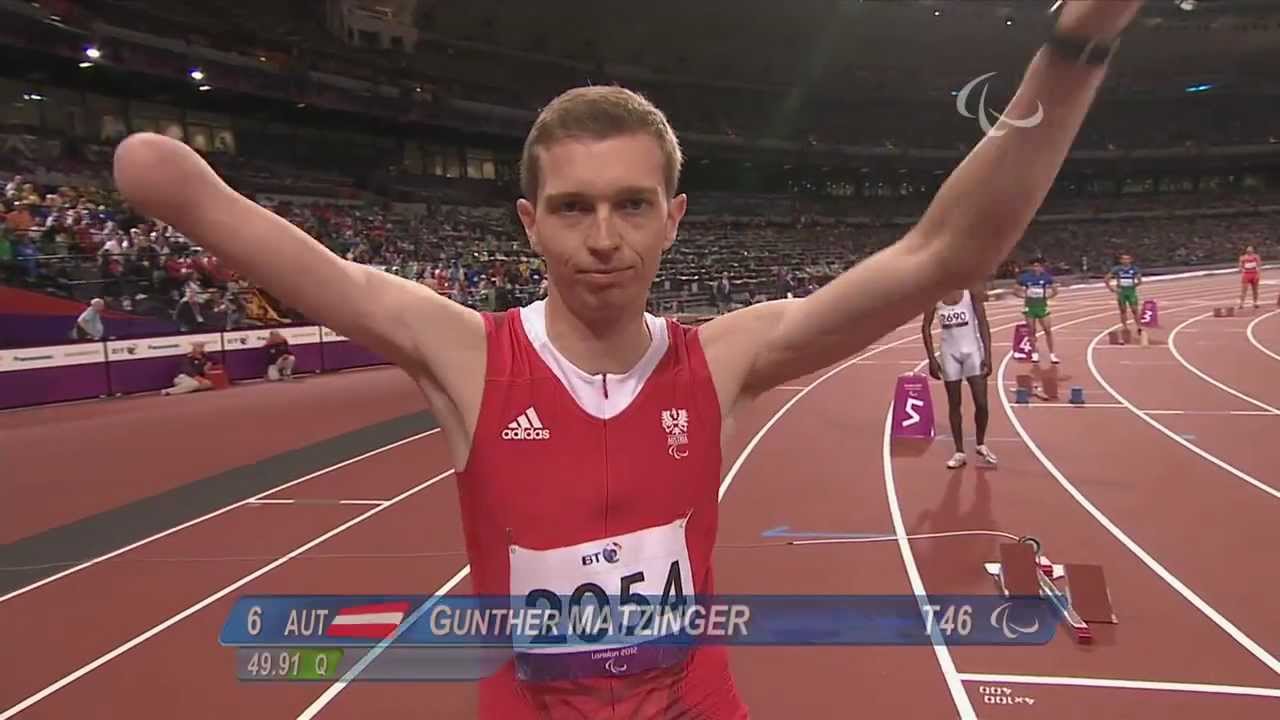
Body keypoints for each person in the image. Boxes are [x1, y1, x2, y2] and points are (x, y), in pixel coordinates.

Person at [111, 3, 1143, 715]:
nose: (601, 238)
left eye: (630, 205)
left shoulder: (725, 359)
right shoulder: (464, 354)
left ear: (672, 218)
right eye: (571, 207)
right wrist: (167, 171)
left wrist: (1073, 47)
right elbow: (202, 199)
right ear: (529, 222)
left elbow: (944, 255)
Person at [922, 286, 997, 469]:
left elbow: (983, 323)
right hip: (949, 354)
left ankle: (980, 443)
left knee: (981, 403)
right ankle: (959, 451)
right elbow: (925, 328)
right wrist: (932, 359)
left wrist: (988, 355)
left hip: (973, 352)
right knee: (954, 404)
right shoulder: (934, 296)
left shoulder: (970, 292)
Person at [1015, 258, 1060, 364]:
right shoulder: (1025, 277)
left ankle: (1052, 354)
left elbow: (1055, 290)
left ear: (1042, 267)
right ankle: (1034, 354)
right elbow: (1015, 290)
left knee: (1047, 330)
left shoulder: (1046, 277)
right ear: (1031, 267)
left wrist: (1047, 297)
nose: (1036, 268)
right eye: (1034, 266)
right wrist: (1023, 296)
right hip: (1030, 307)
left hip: (1042, 307)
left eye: (1038, 266)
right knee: (1032, 331)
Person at [1105, 253, 1144, 342]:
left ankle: (1139, 327)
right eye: (1124, 259)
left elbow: (1140, 280)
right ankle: (1125, 327)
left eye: (1127, 259)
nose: (1125, 261)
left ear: (1130, 260)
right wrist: (1111, 288)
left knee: (1134, 309)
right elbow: (1107, 278)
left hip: (1131, 292)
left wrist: (1134, 285)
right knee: (1123, 310)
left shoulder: (1134, 269)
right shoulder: (1117, 269)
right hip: (1121, 292)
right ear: (1121, 260)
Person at [1239, 245, 1262, 310]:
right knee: (1244, 290)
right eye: (1248, 250)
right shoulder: (1243, 257)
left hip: (1254, 274)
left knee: (1255, 290)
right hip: (1246, 274)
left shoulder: (1256, 257)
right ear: (1246, 251)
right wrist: (1241, 269)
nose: (1249, 251)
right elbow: (1240, 265)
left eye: (1250, 250)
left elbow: (1259, 266)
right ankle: (1241, 304)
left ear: (1253, 250)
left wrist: (1258, 275)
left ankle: (1255, 303)